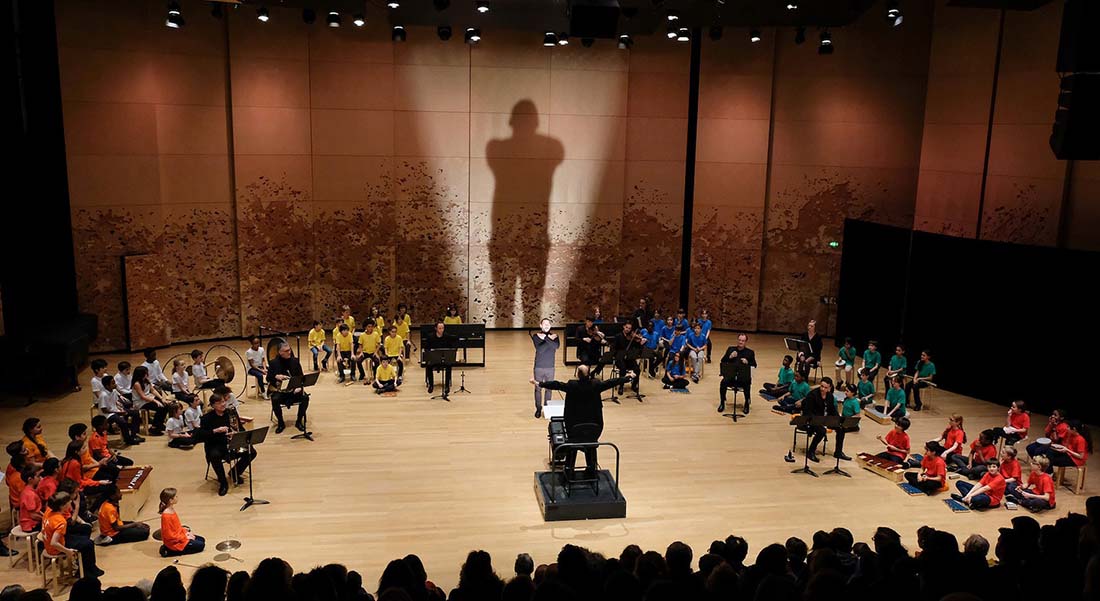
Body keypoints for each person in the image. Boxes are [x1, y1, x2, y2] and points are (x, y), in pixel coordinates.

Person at [531, 365, 633, 481]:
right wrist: (628, 377)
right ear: (588, 375)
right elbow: (611, 382)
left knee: (573, 444)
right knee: (590, 445)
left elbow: (557, 385)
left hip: (574, 430)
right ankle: (591, 469)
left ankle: (569, 470)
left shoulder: (572, 385)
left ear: (578, 375)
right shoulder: (596, 385)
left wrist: (539, 383)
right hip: (595, 429)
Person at [198, 393, 254, 496]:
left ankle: (235, 472)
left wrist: (235, 433)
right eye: (219, 403)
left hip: (231, 442)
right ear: (213, 405)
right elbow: (201, 435)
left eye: (223, 402)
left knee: (252, 451)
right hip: (215, 444)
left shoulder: (231, 412)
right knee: (214, 456)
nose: (223, 404)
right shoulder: (206, 418)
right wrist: (215, 431)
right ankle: (223, 482)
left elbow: (241, 428)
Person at [43, 491, 103, 577]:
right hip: (55, 547)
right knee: (89, 544)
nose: (71, 502)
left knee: (85, 529)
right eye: (68, 501)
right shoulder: (60, 521)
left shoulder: (49, 511)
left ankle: (83, 564)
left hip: (51, 540)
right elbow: (54, 542)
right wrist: (68, 551)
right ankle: (87, 572)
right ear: (62, 506)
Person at [801, 377, 847, 462]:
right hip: (812, 420)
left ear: (829, 388)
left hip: (825, 419)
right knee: (821, 431)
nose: (822, 389)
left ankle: (838, 452)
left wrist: (838, 420)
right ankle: (811, 451)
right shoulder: (812, 395)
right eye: (821, 386)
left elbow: (833, 410)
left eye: (825, 387)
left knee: (841, 428)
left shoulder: (830, 396)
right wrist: (818, 421)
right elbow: (808, 412)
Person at [267, 342, 310, 434]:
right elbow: (268, 378)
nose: (289, 352)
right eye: (286, 351)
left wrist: (299, 387)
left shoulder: (295, 361)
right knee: (274, 399)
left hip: (293, 390)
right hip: (280, 392)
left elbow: (301, 377)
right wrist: (276, 376)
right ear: (280, 352)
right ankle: (281, 423)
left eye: (289, 350)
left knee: (305, 398)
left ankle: (299, 421)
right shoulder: (273, 363)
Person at [158, 488, 205, 557]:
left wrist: (186, 532)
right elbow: (169, 535)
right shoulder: (166, 516)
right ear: (171, 500)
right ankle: (170, 551)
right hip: (175, 542)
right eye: (176, 496)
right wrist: (185, 537)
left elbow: (177, 528)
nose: (177, 497)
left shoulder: (171, 509)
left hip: (180, 536)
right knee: (201, 545)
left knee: (202, 540)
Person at [98, 375, 142, 445]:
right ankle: (128, 440)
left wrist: (121, 409)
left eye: (114, 382)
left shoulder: (114, 391)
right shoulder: (103, 395)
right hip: (107, 415)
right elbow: (104, 410)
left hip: (115, 410)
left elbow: (116, 402)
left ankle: (134, 435)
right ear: (107, 386)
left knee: (136, 413)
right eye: (113, 383)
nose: (115, 384)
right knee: (122, 422)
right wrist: (119, 413)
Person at [718, 334, 757, 413]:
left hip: (742, 378)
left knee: (747, 383)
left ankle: (746, 403)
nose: (740, 342)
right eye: (739, 340)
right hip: (731, 377)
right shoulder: (731, 349)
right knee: (723, 382)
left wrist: (747, 362)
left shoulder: (750, 352)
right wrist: (730, 357)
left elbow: (754, 365)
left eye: (742, 341)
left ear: (745, 342)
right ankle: (722, 402)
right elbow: (723, 361)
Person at [531, 319, 559, 418]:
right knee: (538, 389)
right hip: (539, 366)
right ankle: (538, 409)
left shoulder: (555, 336)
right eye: (544, 324)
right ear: (541, 326)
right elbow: (540, 349)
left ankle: (547, 409)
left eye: (548, 324)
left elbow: (556, 346)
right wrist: (549, 339)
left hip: (550, 367)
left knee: (549, 389)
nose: (546, 325)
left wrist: (546, 338)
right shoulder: (536, 336)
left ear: (550, 326)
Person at [131, 365, 168, 435]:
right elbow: (143, 396)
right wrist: (155, 401)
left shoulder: (146, 380)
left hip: (148, 398)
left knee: (165, 405)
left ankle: (159, 424)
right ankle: (154, 428)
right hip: (140, 402)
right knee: (160, 408)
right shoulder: (137, 384)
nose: (147, 374)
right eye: (146, 373)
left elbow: (153, 390)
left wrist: (161, 398)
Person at [610, 322, 645, 395]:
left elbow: (637, 347)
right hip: (620, 359)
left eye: (629, 328)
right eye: (626, 327)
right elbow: (613, 348)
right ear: (623, 327)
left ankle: (634, 385)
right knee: (622, 369)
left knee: (637, 369)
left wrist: (640, 342)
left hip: (629, 358)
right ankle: (621, 386)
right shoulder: (618, 336)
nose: (628, 330)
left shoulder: (632, 337)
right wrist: (616, 355)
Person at [424, 321, 456, 395]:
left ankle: (447, 385)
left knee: (448, 365)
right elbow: (426, 348)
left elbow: (450, 348)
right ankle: (431, 385)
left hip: (444, 358)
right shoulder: (430, 337)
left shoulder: (447, 336)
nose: (441, 330)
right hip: (434, 358)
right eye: (439, 328)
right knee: (429, 366)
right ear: (436, 328)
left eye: (442, 328)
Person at [18, 466, 43, 532]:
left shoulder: (27, 490)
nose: (40, 478)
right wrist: (45, 518)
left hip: (31, 522)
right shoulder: (29, 495)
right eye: (38, 476)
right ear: (30, 479)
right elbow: (33, 515)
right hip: (31, 525)